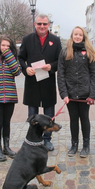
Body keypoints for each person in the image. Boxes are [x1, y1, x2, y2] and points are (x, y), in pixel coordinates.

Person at [18, 14, 62, 151]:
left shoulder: (55, 40)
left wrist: (52, 67)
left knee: (49, 113)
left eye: (44, 24)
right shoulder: (27, 39)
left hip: (48, 82)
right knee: (32, 115)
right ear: (35, 24)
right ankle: (33, 139)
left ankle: (47, 139)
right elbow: (20, 58)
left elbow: (60, 60)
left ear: (49, 25)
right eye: (39, 24)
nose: (42, 26)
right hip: (32, 83)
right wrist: (25, 68)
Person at [57, 26, 95, 158]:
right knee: (73, 120)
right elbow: (61, 75)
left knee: (84, 119)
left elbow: (94, 75)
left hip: (84, 94)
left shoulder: (89, 52)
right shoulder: (65, 52)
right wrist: (63, 94)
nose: (77, 37)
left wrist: (92, 95)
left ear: (83, 37)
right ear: (72, 35)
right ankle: (74, 144)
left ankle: (86, 146)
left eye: (80, 35)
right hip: (70, 95)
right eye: (75, 34)